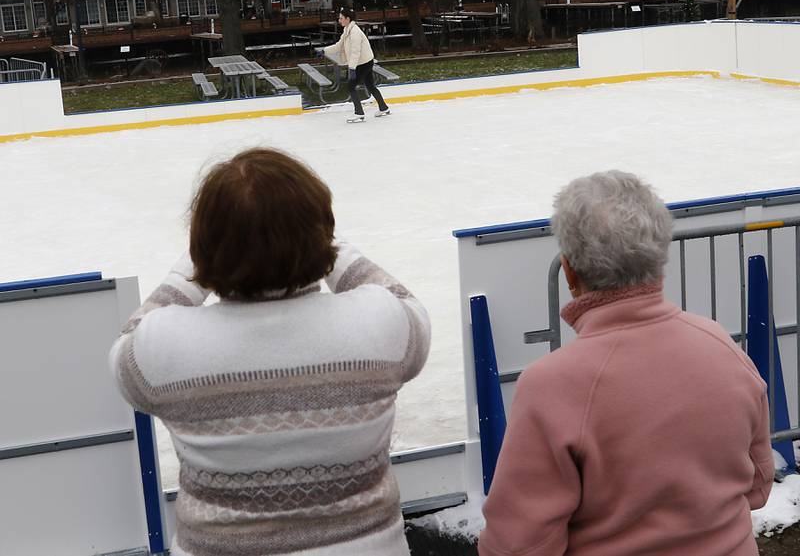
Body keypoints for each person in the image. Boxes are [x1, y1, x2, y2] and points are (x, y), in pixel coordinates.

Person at [109, 148, 430, 556]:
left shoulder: (163, 347)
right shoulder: (381, 323)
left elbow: (126, 345)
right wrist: (327, 247)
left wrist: (195, 268)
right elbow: (409, 306)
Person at [479, 171, 773, 556]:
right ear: (659, 257)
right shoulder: (719, 343)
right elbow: (759, 483)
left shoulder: (551, 385)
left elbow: (516, 545)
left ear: (568, 271)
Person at [322, 8, 390, 123]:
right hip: (364, 62)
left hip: (363, 63)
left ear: (348, 19)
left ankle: (359, 113)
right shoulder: (347, 30)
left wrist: (352, 68)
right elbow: (339, 45)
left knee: (351, 86)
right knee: (370, 85)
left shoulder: (355, 32)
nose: (339, 20)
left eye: (341, 18)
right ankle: (383, 108)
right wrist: (324, 51)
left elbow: (355, 52)